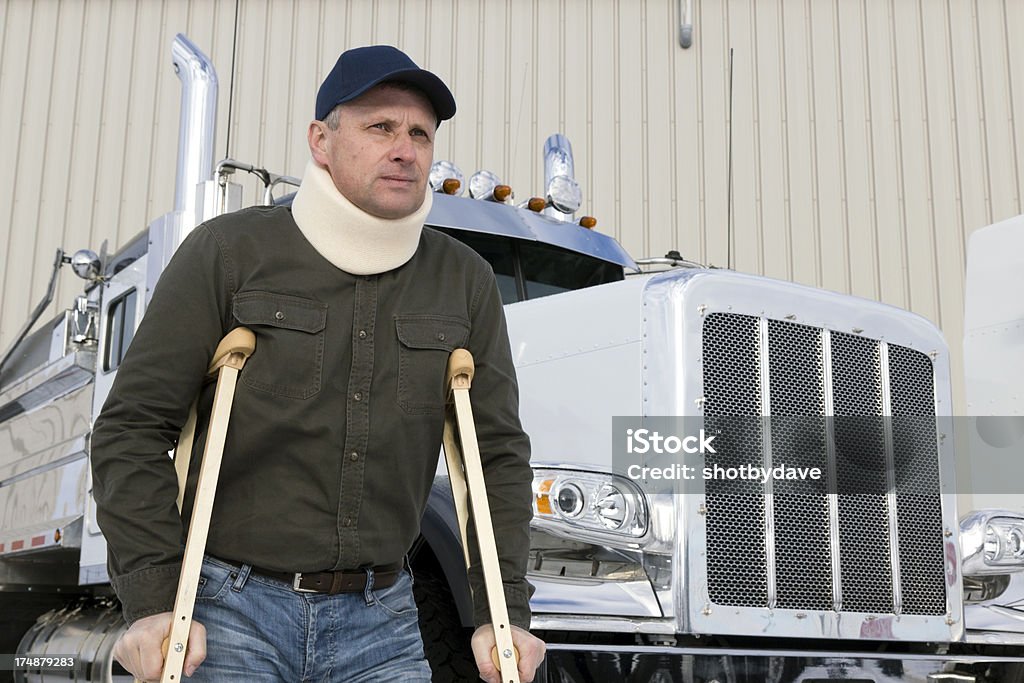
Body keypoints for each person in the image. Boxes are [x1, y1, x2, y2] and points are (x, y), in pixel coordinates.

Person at [91, 45, 545, 682]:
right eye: (380, 127)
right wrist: (154, 600)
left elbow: (493, 454)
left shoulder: (462, 279)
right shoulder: (230, 252)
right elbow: (131, 428)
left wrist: (506, 616)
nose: (406, 149)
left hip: (383, 617)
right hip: (229, 610)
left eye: (420, 133)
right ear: (321, 140)